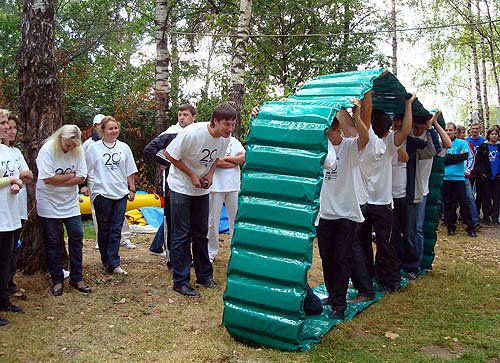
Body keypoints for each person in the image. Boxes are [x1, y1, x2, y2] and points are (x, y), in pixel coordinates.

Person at [164, 104, 235, 297]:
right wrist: (192, 175)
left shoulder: (223, 138)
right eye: (226, 124)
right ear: (214, 121)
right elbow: (169, 154)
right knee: (181, 234)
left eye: (232, 125)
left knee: (201, 232)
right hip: (180, 186)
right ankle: (181, 281)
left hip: (201, 190)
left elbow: (215, 159)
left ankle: (204, 276)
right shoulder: (193, 133)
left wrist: (209, 175)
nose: (230, 129)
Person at [358, 94, 417, 293]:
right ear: (388, 128)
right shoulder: (389, 142)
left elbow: (361, 119)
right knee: (385, 244)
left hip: (365, 203)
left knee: (364, 243)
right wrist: (408, 104)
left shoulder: (364, 140)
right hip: (380, 204)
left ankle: (370, 277)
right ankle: (388, 280)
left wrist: (364, 97)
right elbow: (406, 129)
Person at [317, 98, 369, 320]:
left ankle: (339, 305)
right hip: (325, 213)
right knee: (327, 257)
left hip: (346, 213)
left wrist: (356, 115)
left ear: (335, 128)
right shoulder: (318, 149)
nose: (327, 134)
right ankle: (332, 294)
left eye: (329, 129)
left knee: (341, 258)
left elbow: (364, 138)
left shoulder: (349, 146)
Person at [36, 124, 91, 296]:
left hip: (70, 202)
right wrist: (69, 176)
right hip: (49, 201)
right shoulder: (47, 150)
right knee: (52, 241)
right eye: (68, 145)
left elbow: (82, 177)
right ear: (60, 138)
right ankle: (57, 279)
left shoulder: (78, 150)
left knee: (77, 235)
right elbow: (47, 179)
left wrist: (59, 179)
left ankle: (77, 277)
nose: (70, 148)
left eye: (74, 145)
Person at [85, 116, 138, 275]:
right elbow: (85, 169)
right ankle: (105, 259)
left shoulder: (124, 147)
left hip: (120, 193)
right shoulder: (94, 148)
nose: (114, 131)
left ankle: (114, 263)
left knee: (116, 228)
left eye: (116, 128)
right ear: (102, 130)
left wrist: (132, 189)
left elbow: (130, 170)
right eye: (110, 128)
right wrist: (83, 187)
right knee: (104, 228)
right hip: (102, 192)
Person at [144, 104, 197, 261]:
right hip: (172, 183)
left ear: (194, 117)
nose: (181, 117)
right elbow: (149, 150)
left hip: (193, 183)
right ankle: (171, 257)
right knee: (172, 218)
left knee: (190, 221)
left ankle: (185, 255)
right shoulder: (171, 133)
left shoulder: (198, 132)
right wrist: (170, 162)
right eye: (179, 114)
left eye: (185, 115)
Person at [392, 113, 441, 279]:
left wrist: (431, 127)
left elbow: (435, 149)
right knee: (394, 234)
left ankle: (412, 267)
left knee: (411, 233)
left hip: (409, 196)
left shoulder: (412, 144)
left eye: (401, 127)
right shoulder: (385, 142)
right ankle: (396, 264)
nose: (398, 130)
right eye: (395, 126)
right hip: (389, 198)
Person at [1, 114, 33, 295]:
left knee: (10, 253)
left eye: (12, 126)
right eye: (5, 124)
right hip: (3, 212)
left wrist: (15, 180)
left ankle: (7, 290)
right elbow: (17, 175)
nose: (10, 130)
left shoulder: (12, 151)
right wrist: (13, 178)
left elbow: (28, 176)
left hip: (15, 210)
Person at [414, 112, 451, 265]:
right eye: (415, 127)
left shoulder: (430, 138)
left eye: (421, 128)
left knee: (418, 228)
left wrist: (433, 125)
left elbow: (448, 144)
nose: (417, 131)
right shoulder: (406, 135)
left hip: (421, 191)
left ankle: (417, 262)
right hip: (403, 190)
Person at [0, 109, 24, 325]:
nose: (6, 126)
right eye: (2, 123)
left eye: (7, 122)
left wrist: (17, 184)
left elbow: (16, 176)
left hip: (10, 214)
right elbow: (7, 178)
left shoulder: (7, 151)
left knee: (6, 260)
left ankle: (4, 300)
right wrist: (11, 181)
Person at [207, 136, 245, 262]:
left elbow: (243, 159)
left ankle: (236, 252)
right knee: (212, 222)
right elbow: (214, 161)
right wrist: (233, 161)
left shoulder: (235, 141)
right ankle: (211, 252)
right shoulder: (213, 140)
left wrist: (226, 159)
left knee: (235, 221)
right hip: (216, 187)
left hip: (233, 187)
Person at [442, 122, 477, 237]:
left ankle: (470, 227)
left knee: (464, 202)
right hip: (446, 178)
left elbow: (464, 156)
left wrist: (449, 158)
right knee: (449, 203)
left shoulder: (462, 143)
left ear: (455, 131)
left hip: (459, 179)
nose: (448, 132)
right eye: (446, 130)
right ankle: (451, 226)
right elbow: (442, 160)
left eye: (450, 130)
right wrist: (456, 158)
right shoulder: (442, 144)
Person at [474, 127, 499, 225]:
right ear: (488, 135)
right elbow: (478, 161)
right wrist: (482, 173)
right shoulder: (483, 146)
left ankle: (495, 217)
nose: (494, 136)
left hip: (497, 176)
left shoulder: (499, 146)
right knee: (486, 197)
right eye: (492, 134)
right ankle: (486, 216)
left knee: (497, 198)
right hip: (486, 176)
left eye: (496, 134)